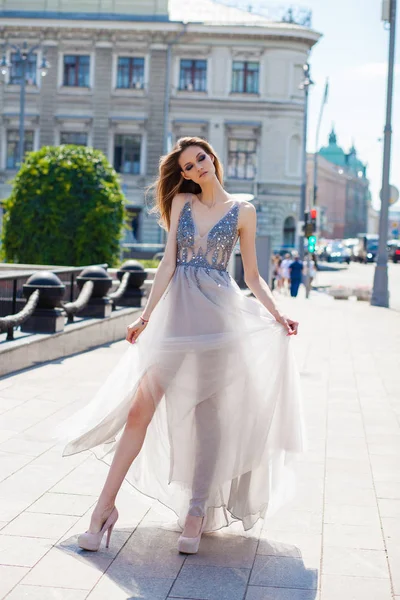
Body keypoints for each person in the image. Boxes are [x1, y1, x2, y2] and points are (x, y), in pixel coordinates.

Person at [57, 137, 304, 556]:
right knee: (139, 408)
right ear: (184, 174)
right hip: (176, 316)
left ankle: (196, 513)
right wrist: (145, 316)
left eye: (200, 159)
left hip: (219, 319)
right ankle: (102, 510)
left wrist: (278, 314)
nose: (195, 168)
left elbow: (252, 277)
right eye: (187, 166)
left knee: (209, 419)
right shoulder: (181, 205)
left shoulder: (244, 211)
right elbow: (168, 263)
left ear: (212, 158)